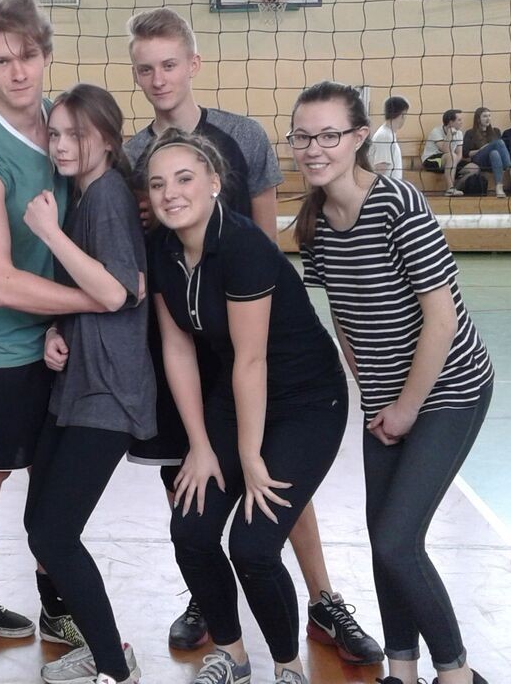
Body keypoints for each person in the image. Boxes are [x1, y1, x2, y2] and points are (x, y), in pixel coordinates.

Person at [123, 7, 383, 667]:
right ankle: (220, 628)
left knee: (265, 514)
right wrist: (205, 442)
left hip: (267, 354)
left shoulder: (241, 140)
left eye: (169, 63)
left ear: (192, 64)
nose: (158, 77)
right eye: (145, 68)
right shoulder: (134, 164)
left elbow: (263, 256)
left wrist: (248, 444)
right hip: (204, 357)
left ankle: (320, 603)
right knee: (195, 516)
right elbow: (167, 322)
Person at [294, 81, 496, 684]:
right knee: (383, 536)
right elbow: (344, 316)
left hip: (450, 388)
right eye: (303, 137)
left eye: (329, 135)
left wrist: (406, 407)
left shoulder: (398, 204)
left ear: (359, 137)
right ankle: (401, 670)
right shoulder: (314, 225)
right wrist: (373, 394)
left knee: (395, 541)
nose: (314, 148)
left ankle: (456, 673)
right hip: (387, 401)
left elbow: (442, 318)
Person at [144, 128, 350, 684]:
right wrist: (200, 446)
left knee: (254, 546)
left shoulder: (243, 246)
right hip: (236, 397)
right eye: (158, 184)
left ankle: (287, 667)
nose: (170, 193)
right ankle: (232, 656)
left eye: (184, 179)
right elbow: (177, 348)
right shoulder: (162, 249)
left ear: (214, 182)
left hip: (307, 400)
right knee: (191, 531)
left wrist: (250, 457)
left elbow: (253, 360)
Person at [0, 0, 108, 683]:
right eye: (0, 61)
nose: (18, 72)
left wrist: (73, 318)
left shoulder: (66, 128)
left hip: (59, 345)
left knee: (54, 490)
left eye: (29, 55)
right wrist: (98, 300)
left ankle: (55, 608)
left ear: (46, 54)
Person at [23, 84, 154, 684]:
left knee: (53, 533)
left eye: (76, 134)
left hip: (109, 390)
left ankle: (114, 669)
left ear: (106, 138)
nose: (62, 145)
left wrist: (48, 232)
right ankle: (108, 648)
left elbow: (118, 291)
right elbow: (89, 290)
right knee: (40, 524)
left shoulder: (106, 197)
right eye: (55, 133)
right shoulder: (82, 195)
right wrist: (58, 328)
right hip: (76, 383)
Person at [461, 107, 511, 198]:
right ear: (478, 119)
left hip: (494, 162)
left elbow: (501, 151)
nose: (488, 118)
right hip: (479, 160)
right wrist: (483, 149)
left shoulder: (496, 131)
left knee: (494, 153)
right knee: (499, 142)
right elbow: (465, 153)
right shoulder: (470, 133)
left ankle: (499, 187)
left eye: (489, 116)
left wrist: (489, 148)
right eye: (485, 116)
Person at [422, 109, 466, 196]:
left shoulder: (459, 133)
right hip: (431, 160)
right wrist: (449, 135)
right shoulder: (436, 131)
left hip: (451, 160)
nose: (462, 122)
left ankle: (457, 187)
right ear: (450, 122)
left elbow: (459, 154)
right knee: (451, 156)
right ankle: (450, 189)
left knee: (474, 168)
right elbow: (445, 150)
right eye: (459, 120)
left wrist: (454, 165)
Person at [369, 95, 410, 182]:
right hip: (387, 188)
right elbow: (380, 169)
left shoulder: (388, 134)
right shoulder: (385, 136)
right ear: (403, 114)